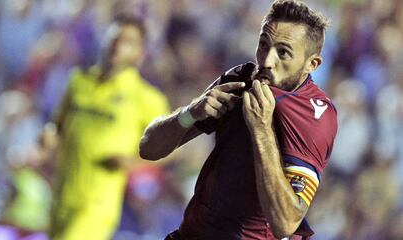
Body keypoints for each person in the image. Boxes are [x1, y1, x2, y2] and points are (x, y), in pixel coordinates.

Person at [139, 0, 337, 239]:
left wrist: (261, 129)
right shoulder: (241, 79)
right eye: (264, 44)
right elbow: (148, 148)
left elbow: (285, 222)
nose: (266, 61)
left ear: (311, 64)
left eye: (283, 52)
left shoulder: (315, 115)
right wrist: (191, 113)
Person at [40, 15, 170, 240]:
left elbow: (171, 146)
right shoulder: (79, 81)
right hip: (61, 195)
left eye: (128, 41)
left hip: (96, 206)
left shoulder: (146, 98)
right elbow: (57, 124)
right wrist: (49, 135)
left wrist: (133, 162)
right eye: (114, 37)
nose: (118, 45)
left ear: (139, 53)